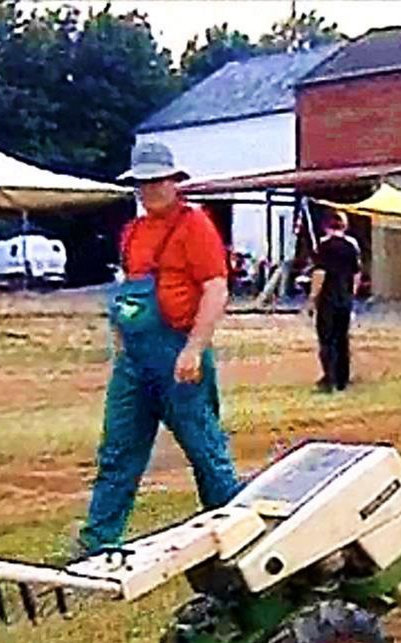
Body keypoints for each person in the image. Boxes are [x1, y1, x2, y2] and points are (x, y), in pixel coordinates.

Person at [77, 142, 242, 556]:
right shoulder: (132, 233)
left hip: (177, 353)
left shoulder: (195, 225)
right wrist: (121, 342)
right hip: (133, 360)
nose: (149, 190)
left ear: (174, 181)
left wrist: (193, 349)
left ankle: (236, 533)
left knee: (205, 450)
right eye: (141, 183)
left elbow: (216, 289)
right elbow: (129, 294)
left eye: (156, 181)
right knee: (118, 450)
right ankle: (97, 541)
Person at [306, 211, 362, 393]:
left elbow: (319, 273)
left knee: (327, 339)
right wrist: (351, 295)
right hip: (345, 299)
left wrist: (312, 298)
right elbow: (356, 274)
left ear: (326, 227)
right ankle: (342, 379)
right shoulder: (351, 247)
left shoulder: (324, 247)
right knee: (342, 339)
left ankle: (329, 378)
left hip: (328, 299)